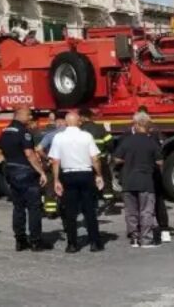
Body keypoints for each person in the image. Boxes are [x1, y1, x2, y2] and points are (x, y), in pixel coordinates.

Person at [0, 108, 48, 251]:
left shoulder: (5, 132)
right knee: (34, 207)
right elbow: (29, 154)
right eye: (28, 114)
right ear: (20, 115)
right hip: (27, 174)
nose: (30, 117)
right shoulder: (24, 132)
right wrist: (41, 172)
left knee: (18, 208)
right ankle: (36, 241)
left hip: (12, 174)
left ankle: (20, 240)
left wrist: (5, 164)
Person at [49, 112, 104, 253]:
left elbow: (55, 161)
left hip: (68, 174)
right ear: (79, 121)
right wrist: (98, 174)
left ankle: (72, 244)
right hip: (85, 173)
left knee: (70, 212)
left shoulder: (59, 137)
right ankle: (94, 243)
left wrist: (56, 180)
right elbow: (95, 158)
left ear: (66, 122)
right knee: (89, 210)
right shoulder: (86, 136)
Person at [114, 113, 162, 249]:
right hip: (146, 181)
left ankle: (134, 238)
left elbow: (117, 158)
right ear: (147, 126)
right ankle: (146, 239)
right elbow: (159, 161)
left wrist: (128, 160)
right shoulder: (151, 142)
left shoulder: (127, 141)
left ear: (136, 125)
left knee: (131, 212)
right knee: (146, 211)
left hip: (128, 181)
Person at [134, 107, 172, 243]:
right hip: (151, 171)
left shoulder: (149, 136)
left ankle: (156, 230)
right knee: (154, 202)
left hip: (147, 172)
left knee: (150, 202)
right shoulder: (154, 134)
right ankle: (161, 230)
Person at [79, 108, 116, 209]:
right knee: (106, 180)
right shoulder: (100, 128)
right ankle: (109, 203)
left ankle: (90, 204)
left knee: (88, 182)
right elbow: (110, 143)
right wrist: (108, 152)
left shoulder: (79, 130)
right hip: (101, 159)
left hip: (84, 161)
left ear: (82, 117)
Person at [37, 113, 67, 219]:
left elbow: (39, 149)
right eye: (57, 121)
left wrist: (47, 158)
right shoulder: (75, 134)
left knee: (50, 188)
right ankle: (66, 209)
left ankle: (50, 211)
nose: (58, 123)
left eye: (59, 121)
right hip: (67, 165)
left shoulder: (50, 135)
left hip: (52, 164)